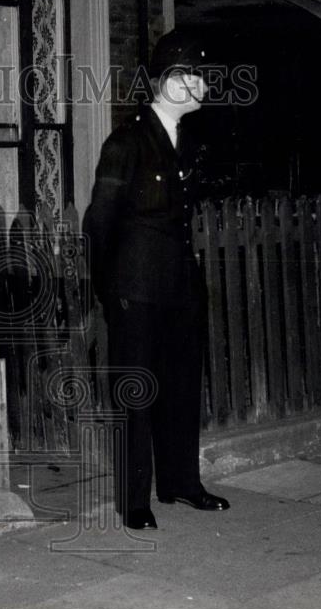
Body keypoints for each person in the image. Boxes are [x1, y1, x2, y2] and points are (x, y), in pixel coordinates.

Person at [83, 31, 230, 530]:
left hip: (180, 289)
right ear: (168, 80)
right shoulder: (126, 142)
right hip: (136, 290)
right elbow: (98, 223)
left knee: (183, 388)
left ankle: (181, 483)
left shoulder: (187, 143)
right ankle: (134, 500)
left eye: (204, 77)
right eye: (194, 76)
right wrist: (112, 292)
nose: (203, 86)